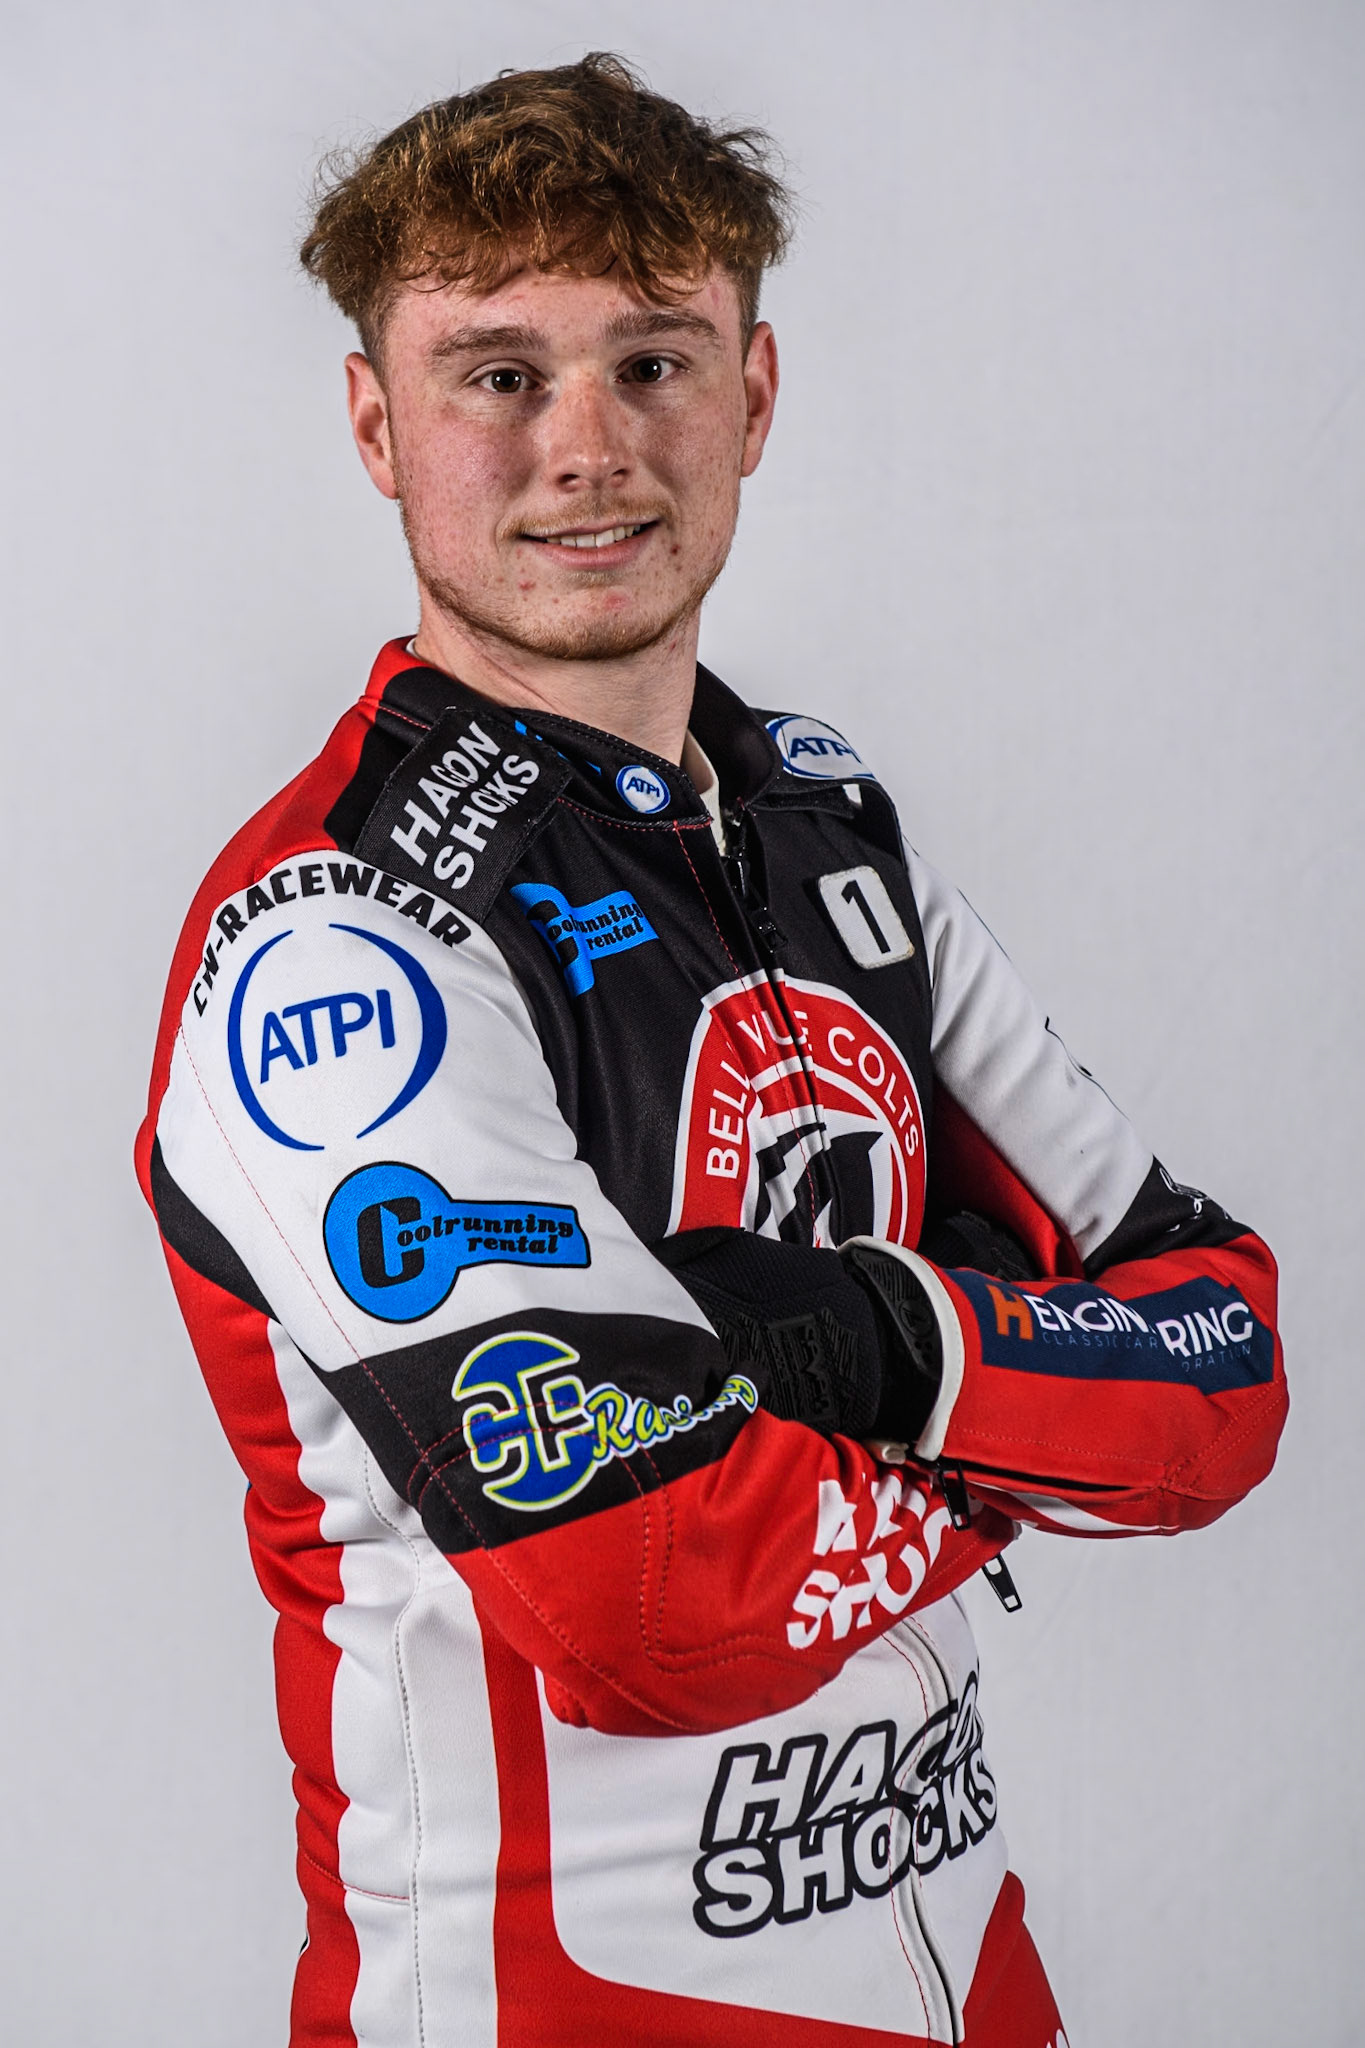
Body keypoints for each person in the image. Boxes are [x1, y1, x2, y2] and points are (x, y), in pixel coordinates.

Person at [136, 52, 1286, 2048]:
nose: (588, 446)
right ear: (375, 424)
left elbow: (1227, 1363)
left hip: (965, 1972)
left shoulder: (825, 834)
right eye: (498, 373)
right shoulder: (339, 937)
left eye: (651, 360)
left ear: (752, 394)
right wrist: (1024, 1422)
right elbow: (646, 1601)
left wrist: (866, 1343)